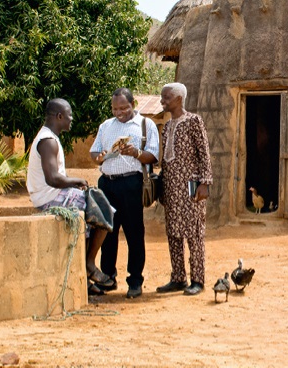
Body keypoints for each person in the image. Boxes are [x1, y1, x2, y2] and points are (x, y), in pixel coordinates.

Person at [27, 98, 113, 295]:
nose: (71, 119)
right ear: (59, 116)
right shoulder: (48, 141)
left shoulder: (50, 137)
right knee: (103, 211)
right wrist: (77, 181)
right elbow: (52, 178)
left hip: (54, 193)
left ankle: (84, 270)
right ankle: (89, 265)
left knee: (99, 209)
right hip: (50, 197)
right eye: (69, 115)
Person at [89, 88, 159, 299]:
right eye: (115, 108)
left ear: (133, 104)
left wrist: (136, 153)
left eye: (123, 108)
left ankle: (135, 281)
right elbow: (94, 152)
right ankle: (108, 277)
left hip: (132, 183)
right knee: (106, 232)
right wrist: (99, 156)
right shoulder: (106, 126)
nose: (119, 112)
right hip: (107, 184)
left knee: (134, 233)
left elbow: (154, 156)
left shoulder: (146, 125)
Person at [154, 83, 213, 296]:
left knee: (194, 232)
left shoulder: (193, 121)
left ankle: (198, 279)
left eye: (166, 97)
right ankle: (178, 277)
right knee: (173, 232)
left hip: (191, 186)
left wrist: (205, 182)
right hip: (171, 186)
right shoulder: (168, 126)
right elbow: (166, 160)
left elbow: (204, 153)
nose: (163, 101)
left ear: (179, 99)